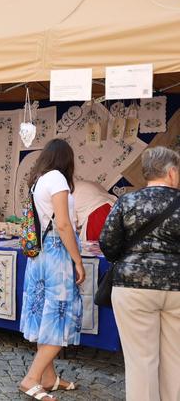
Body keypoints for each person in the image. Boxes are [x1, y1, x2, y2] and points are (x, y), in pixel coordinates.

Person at [99, 146, 180, 401]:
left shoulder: (127, 201)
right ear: (172, 173)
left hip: (132, 287)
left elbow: (107, 243)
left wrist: (128, 259)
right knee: (176, 360)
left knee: (140, 362)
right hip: (177, 286)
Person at [19, 138, 85, 401]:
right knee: (59, 317)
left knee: (46, 315)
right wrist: (78, 260)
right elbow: (64, 225)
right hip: (56, 255)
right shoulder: (57, 178)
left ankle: (48, 377)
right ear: (66, 160)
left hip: (40, 256)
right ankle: (32, 378)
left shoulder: (40, 179)